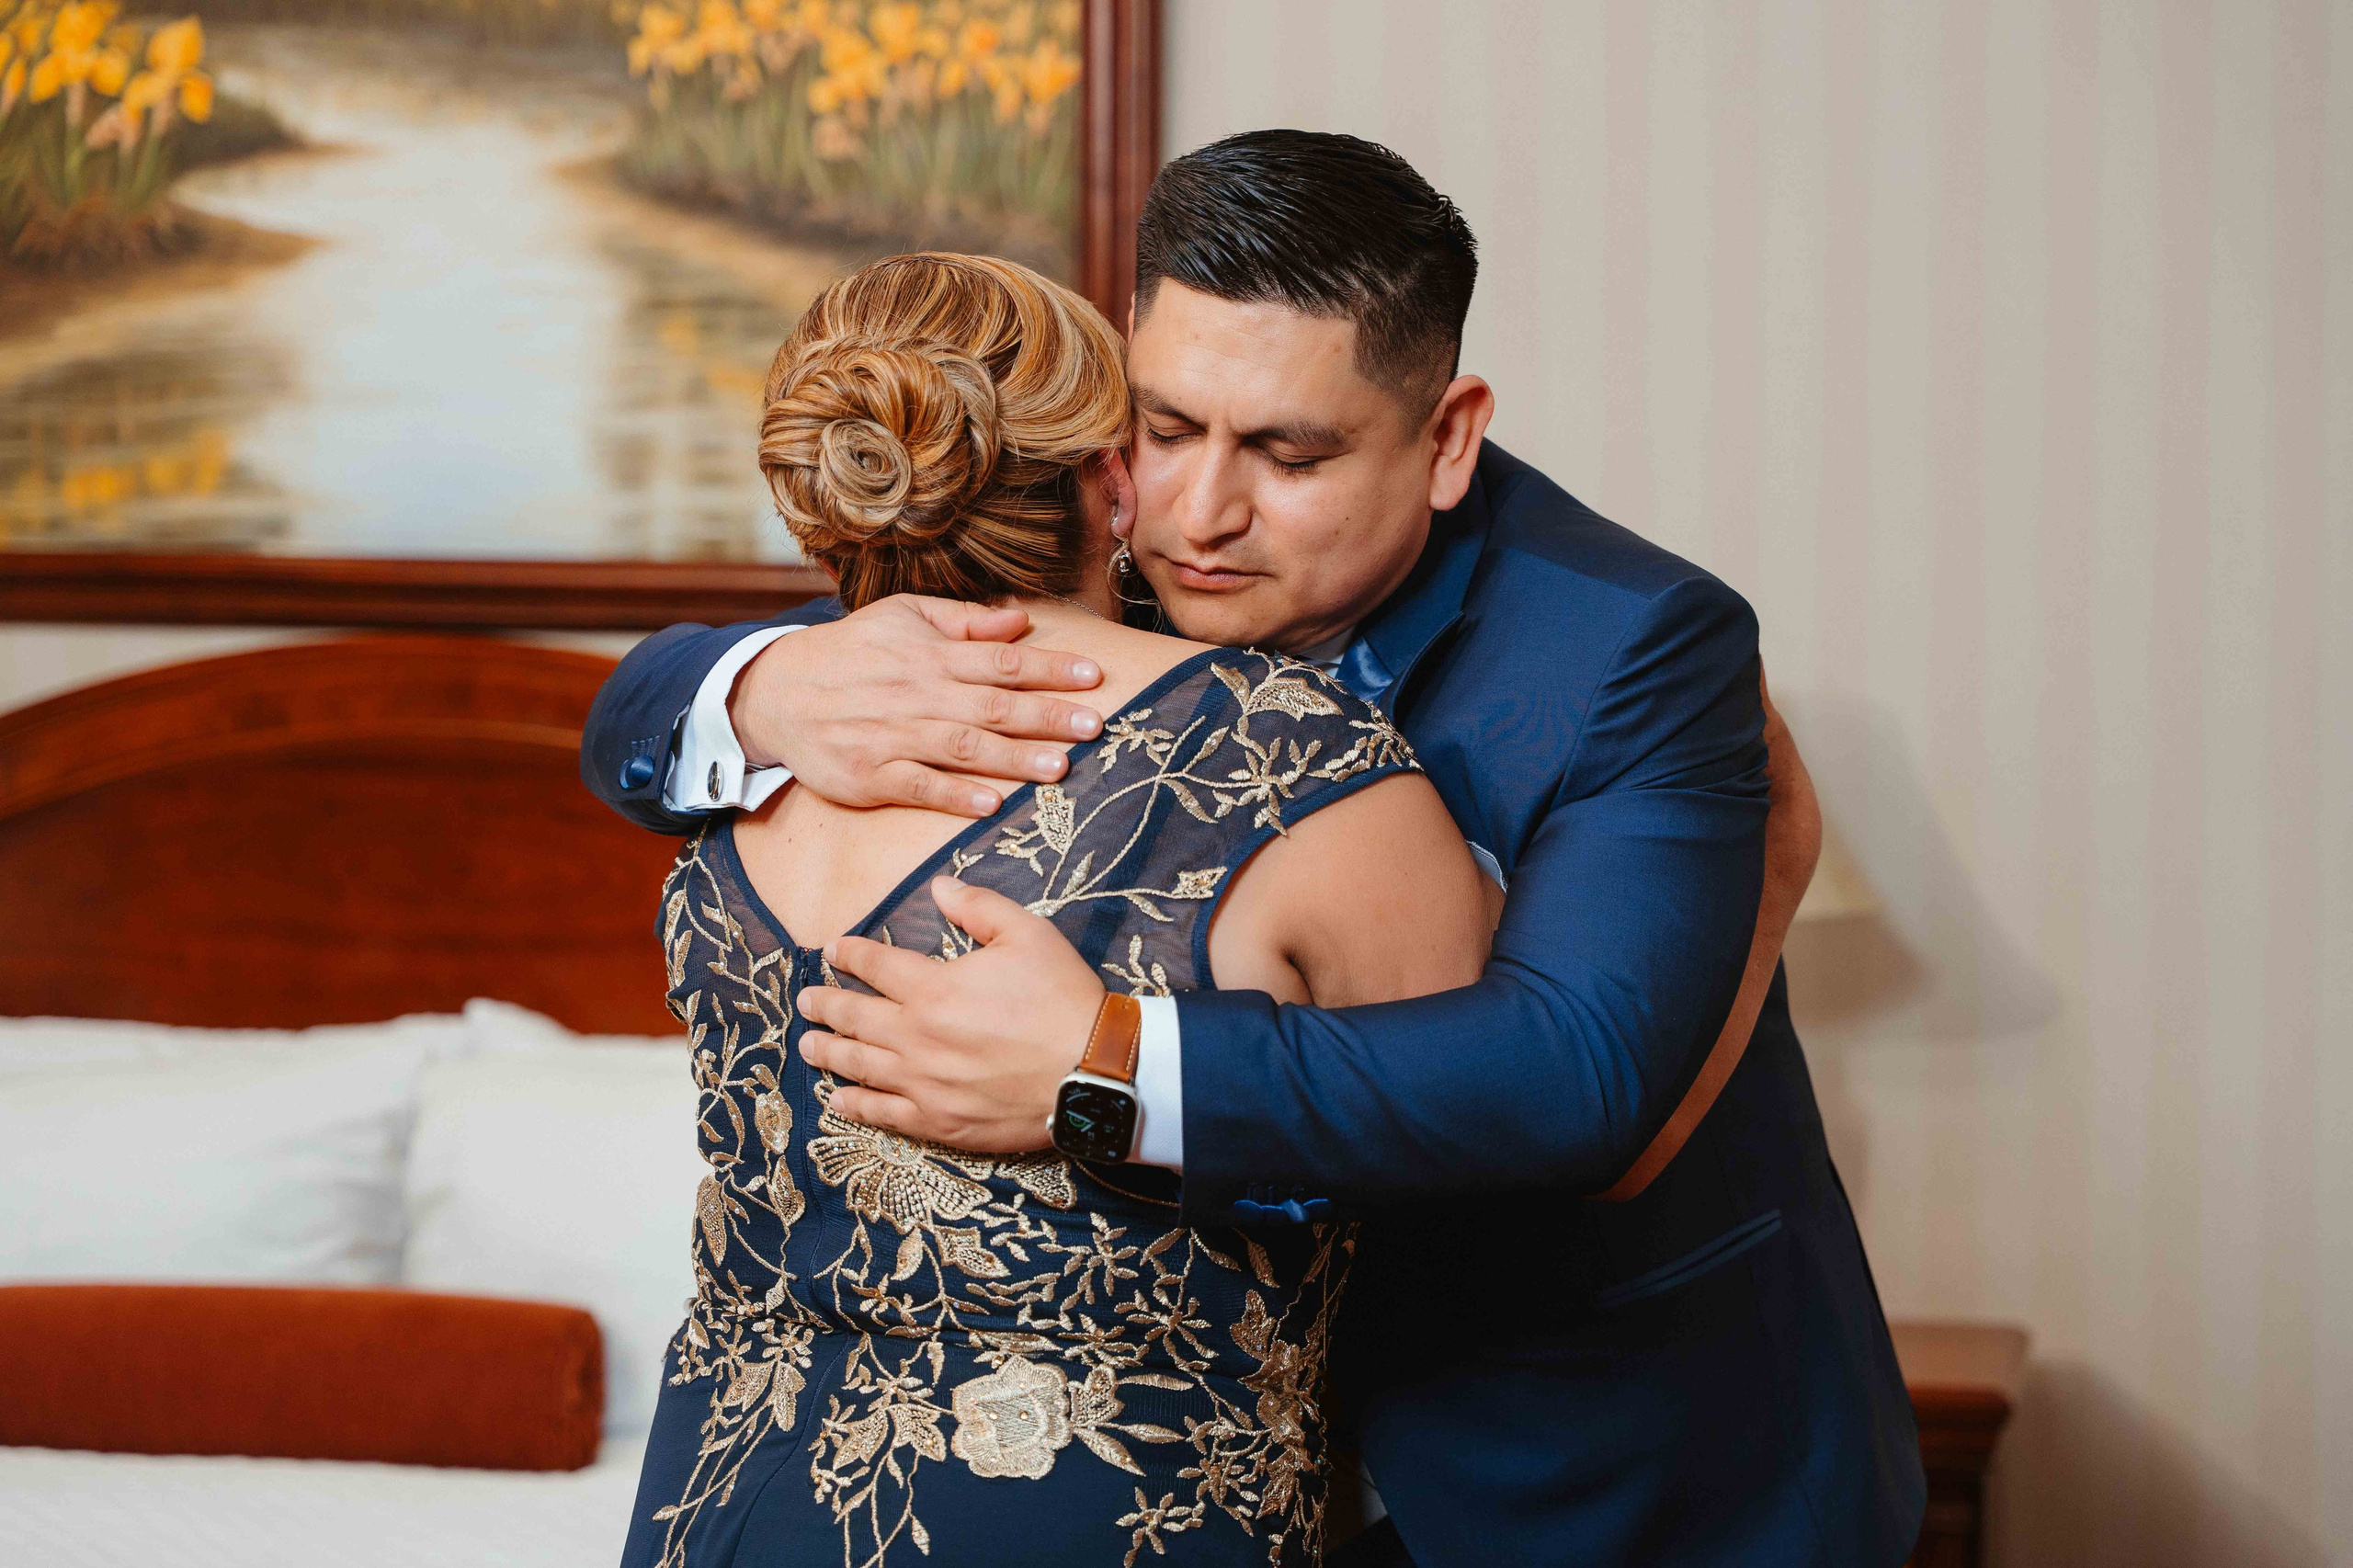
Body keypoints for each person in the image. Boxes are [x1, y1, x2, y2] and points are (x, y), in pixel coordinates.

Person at [588, 133, 1926, 1567]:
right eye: (1164, 432)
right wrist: (760, 686)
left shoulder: (1634, 647)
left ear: (1450, 433)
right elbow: (640, 714)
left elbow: (1573, 1075)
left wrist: (1105, 1066)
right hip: (1209, 1470)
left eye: (1290, 454)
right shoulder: (1122, 584)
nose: (1201, 513)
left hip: (1591, 1470)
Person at [618, 249, 1498, 1568]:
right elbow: (1484, 1179)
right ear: (1113, 477)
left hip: (722, 1503)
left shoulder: (760, 749)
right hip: (1100, 1515)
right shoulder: (1301, 767)